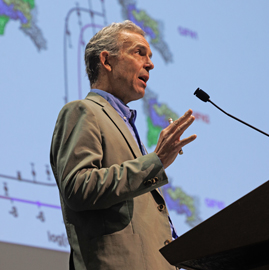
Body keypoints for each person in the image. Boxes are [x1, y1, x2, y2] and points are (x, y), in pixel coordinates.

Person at [50, 20, 197, 270]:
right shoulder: (84, 111)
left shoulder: (126, 123)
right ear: (106, 61)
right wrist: (155, 161)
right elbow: (78, 188)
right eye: (139, 53)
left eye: (150, 56)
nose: (150, 64)